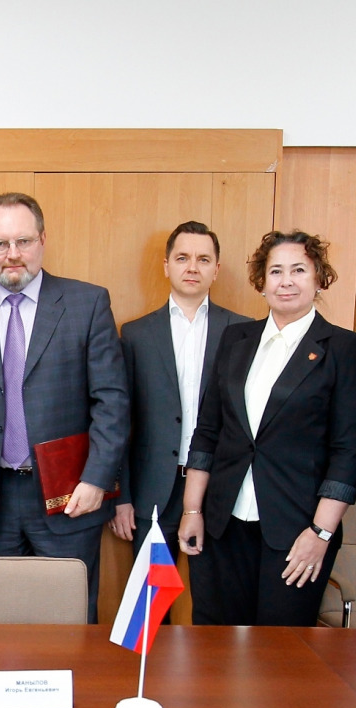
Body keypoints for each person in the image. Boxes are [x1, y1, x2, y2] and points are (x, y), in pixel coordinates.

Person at [0, 192, 127, 623]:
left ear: (43, 240)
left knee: (70, 618)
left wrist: (97, 479)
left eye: (23, 241)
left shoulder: (87, 304)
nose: (12, 255)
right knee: (1, 618)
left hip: (70, 497)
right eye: (0, 244)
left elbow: (113, 401)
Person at [178, 230, 356, 627]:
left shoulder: (344, 348)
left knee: (279, 654)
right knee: (214, 642)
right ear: (261, 282)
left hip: (296, 529)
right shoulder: (236, 338)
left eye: (299, 269)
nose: (286, 280)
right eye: (276, 271)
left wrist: (320, 533)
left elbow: (348, 452)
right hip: (221, 525)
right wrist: (192, 510)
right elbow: (207, 431)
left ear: (319, 279)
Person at [113, 221, 249, 568]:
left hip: (220, 487)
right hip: (153, 489)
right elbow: (121, 423)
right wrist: (121, 497)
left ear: (216, 270)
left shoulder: (243, 333)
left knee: (213, 601)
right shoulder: (136, 334)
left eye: (203, 259)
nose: (192, 267)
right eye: (182, 258)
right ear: (166, 265)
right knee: (149, 604)